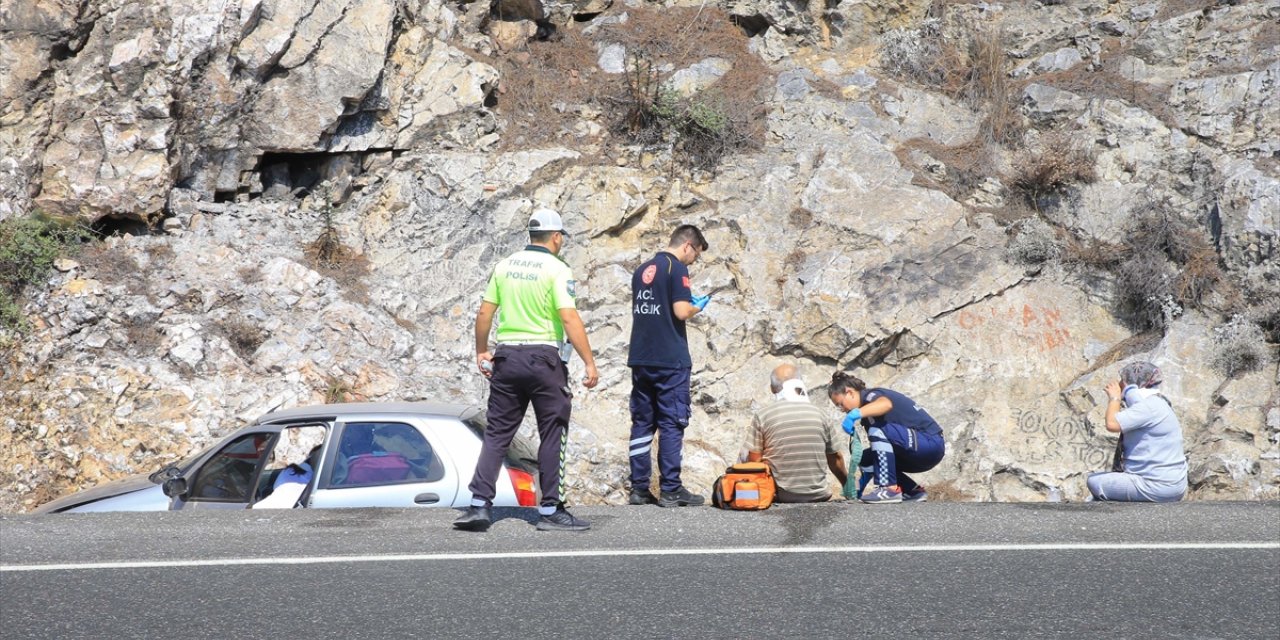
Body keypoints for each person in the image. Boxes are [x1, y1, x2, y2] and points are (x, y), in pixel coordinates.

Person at [455, 208, 600, 532]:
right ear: (557, 237)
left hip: (507, 358)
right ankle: (550, 511)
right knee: (552, 432)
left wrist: (482, 350)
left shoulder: (505, 266)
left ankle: (478, 506)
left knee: (497, 433)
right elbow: (568, 317)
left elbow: (484, 312)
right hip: (544, 359)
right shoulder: (557, 268)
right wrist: (589, 360)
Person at [626, 224, 711, 507]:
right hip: (670, 360)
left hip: (641, 357)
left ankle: (639, 488)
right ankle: (671, 489)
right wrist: (699, 305)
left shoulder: (642, 270)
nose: (694, 260)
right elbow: (681, 311)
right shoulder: (677, 269)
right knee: (672, 422)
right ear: (688, 245)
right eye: (696, 255)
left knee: (642, 422)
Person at [827, 371, 945, 504]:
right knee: (866, 458)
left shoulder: (871, 395)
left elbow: (885, 404)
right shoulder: (868, 417)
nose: (842, 409)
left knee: (877, 430)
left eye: (840, 404)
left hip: (930, 444)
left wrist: (856, 414)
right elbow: (880, 454)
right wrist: (856, 488)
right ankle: (912, 491)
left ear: (850, 393)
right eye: (838, 407)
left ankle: (888, 489)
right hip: (916, 452)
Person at [1086, 362, 1187, 502]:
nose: (1119, 383)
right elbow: (1136, 401)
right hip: (1172, 485)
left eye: (1122, 380)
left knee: (1094, 482)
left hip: (1156, 486)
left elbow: (1112, 424)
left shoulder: (1149, 408)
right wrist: (1129, 390)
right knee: (1102, 489)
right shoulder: (1158, 403)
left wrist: (1115, 398)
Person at [746, 364, 847, 502]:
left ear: (771, 389)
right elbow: (835, 459)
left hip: (779, 496)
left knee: (750, 450)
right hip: (819, 495)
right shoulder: (821, 414)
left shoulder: (763, 415)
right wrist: (847, 486)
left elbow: (754, 461)